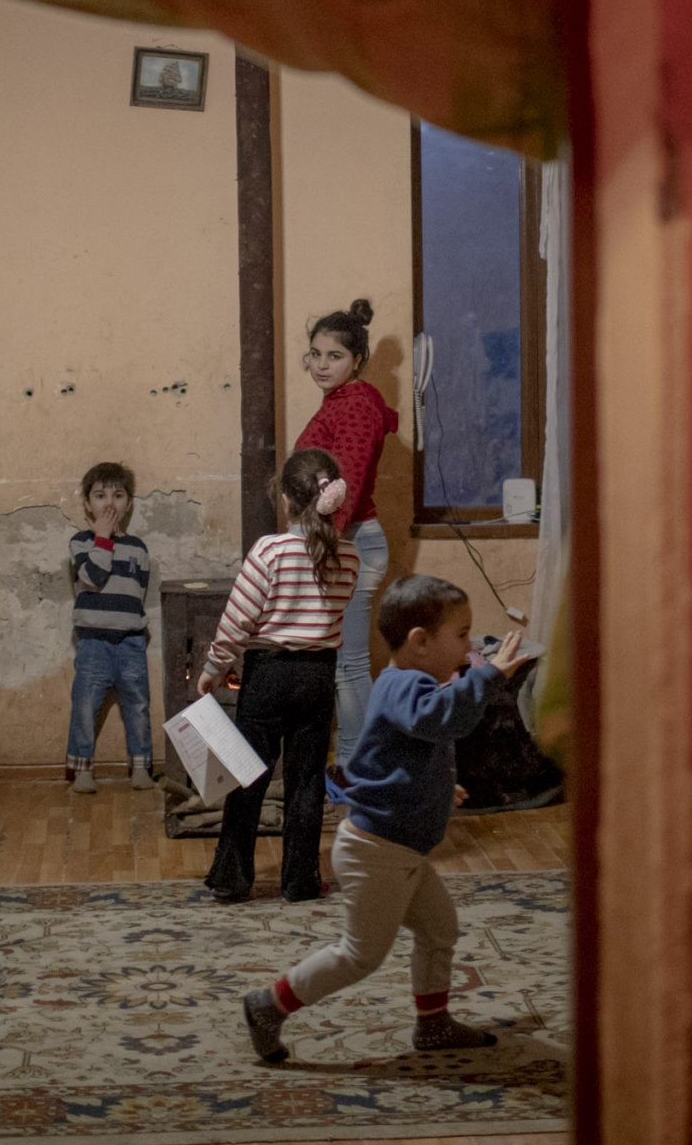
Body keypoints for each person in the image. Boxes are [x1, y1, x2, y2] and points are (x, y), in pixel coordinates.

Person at [240, 575, 525, 1063]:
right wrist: (488, 675)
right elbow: (440, 720)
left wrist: (437, 787)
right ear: (419, 641)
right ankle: (269, 1005)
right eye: (461, 635)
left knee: (439, 929)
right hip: (378, 852)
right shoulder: (405, 685)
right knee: (360, 955)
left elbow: (410, 751)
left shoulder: (413, 685)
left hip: (402, 850)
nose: (469, 646)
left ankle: (432, 1025)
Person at [195, 449, 356, 903]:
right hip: (319, 678)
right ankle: (301, 880)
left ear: (287, 498)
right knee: (306, 783)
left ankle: (232, 877)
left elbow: (238, 619)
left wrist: (214, 668)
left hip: (269, 675)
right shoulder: (350, 556)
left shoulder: (269, 550)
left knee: (248, 777)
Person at [291, 299, 401, 775]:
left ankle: (362, 771)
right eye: (315, 354)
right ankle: (359, 767)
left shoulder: (355, 407)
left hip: (351, 541)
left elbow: (347, 487)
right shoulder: (343, 401)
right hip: (343, 541)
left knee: (349, 665)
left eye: (333, 356)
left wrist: (318, 544)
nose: (320, 364)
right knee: (342, 664)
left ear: (357, 359)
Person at [66, 460, 159, 795]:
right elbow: (92, 578)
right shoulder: (81, 542)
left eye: (118, 496)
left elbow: (138, 593)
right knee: (85, 705)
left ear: (129, 504)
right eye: (100, 496)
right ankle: (82, 768)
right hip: (93, 643)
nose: (109, 503)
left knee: (138, 705)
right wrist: (102, 538)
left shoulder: (138, 548)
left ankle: (140, 765)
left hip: (131, 642)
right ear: (88, 505)